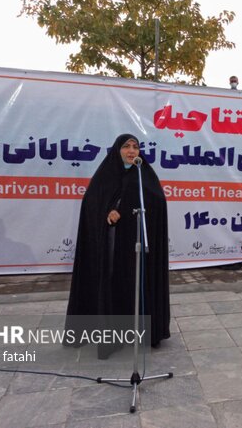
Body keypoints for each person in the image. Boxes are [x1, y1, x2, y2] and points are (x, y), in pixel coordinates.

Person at [65, 134, 171, 358]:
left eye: (135, 147)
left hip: (136, 247)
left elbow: (158, 202)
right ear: (117, 150)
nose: (132, 151)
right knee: (113, 286)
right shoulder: (105, 175)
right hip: (112, 248)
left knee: (137, 286)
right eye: (126, 147)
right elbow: (93, 204)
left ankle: (142, 332)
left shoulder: (145, 175)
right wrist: (108, 211)